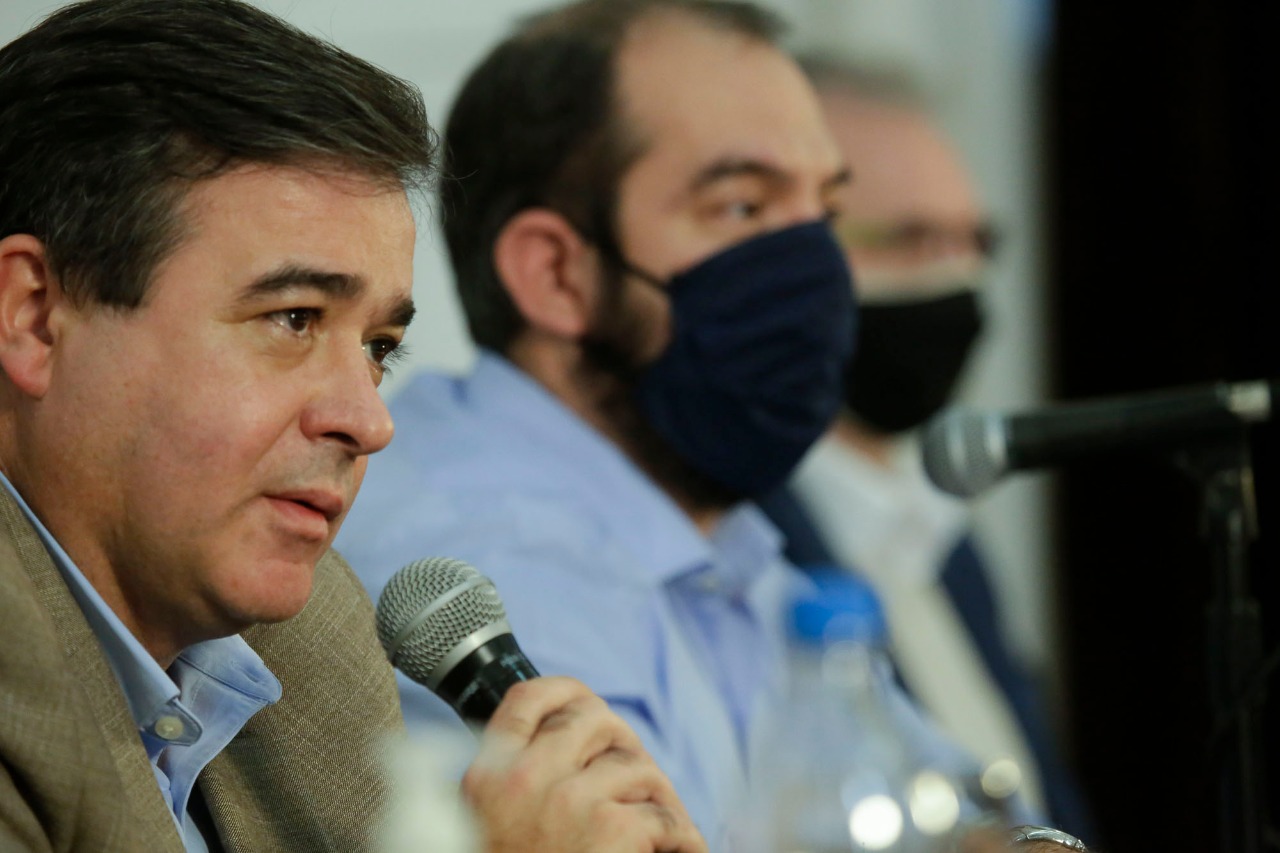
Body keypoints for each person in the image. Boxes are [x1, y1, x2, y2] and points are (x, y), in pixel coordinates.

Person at [0, 2, 705, 852]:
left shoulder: (316, 651)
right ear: (34, 317)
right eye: (293, 318)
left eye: (379, 348)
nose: (369, 421)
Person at [336, 1, 1007, 845]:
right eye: (744, 208)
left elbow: (960, 815)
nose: (815, 269)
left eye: (826, 214)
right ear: (556, 273)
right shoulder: (482, 561)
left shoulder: (722, 540)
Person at [756, 56, 1095, 840]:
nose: (956, 276)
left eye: (973, 240)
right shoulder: (746, 533)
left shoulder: (945, 535)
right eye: (910, 239)